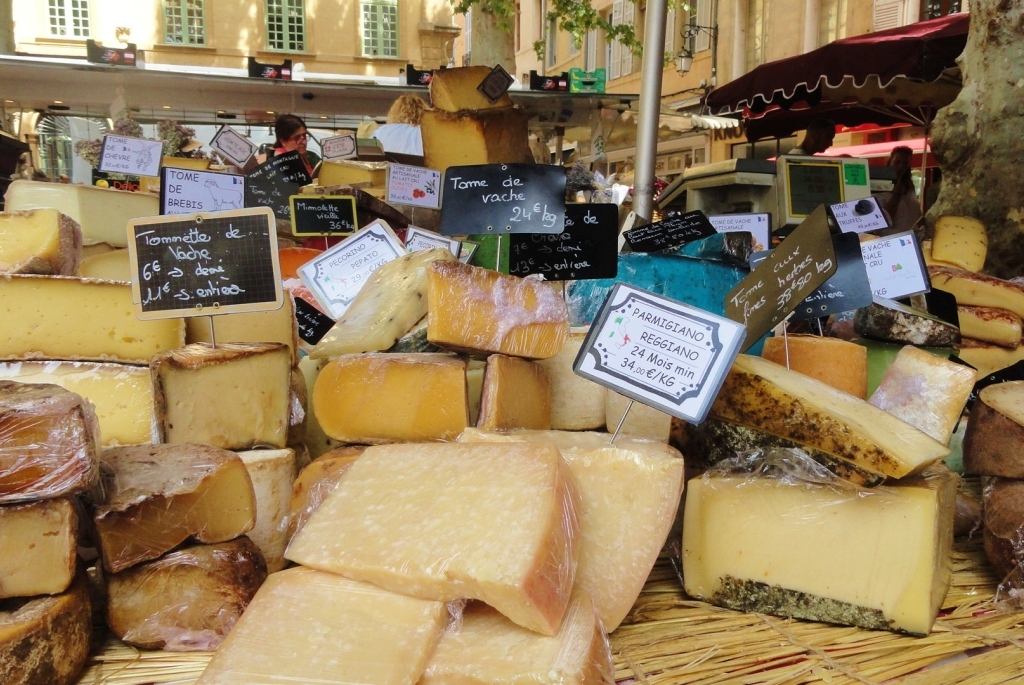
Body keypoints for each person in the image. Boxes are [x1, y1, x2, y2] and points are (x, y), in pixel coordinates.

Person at [879, 145, 922, 236]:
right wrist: (896, 195)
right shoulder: (879, 186)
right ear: (890, 162)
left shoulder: (909, 187)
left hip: (912, 237)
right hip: (890, 238)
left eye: (905, 163)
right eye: (897, 162)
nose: (901, 166)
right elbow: (883, 219)